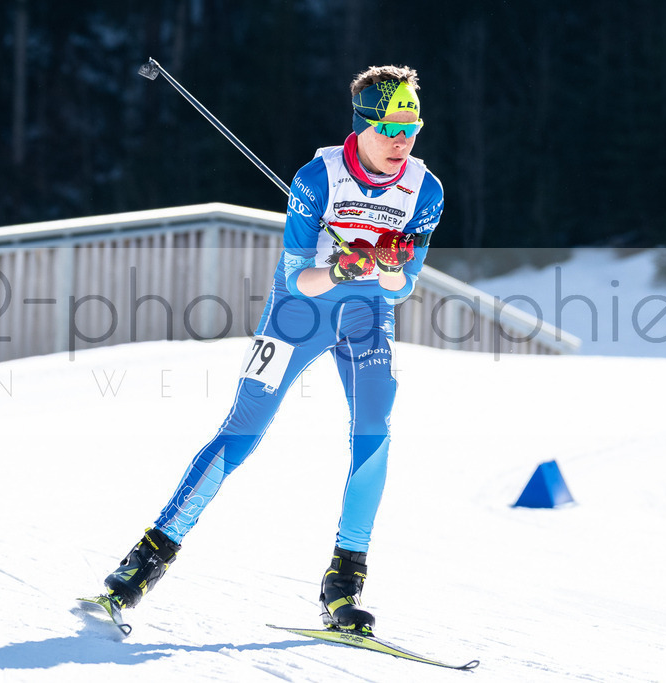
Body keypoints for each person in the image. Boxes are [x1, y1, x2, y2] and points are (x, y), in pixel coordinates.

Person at [102, 65, 443, 634]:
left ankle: (344, 579)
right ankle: (149, 557)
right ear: (362, 125)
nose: (402, 142)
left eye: (412, 129)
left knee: (374, 432)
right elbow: (296, 278)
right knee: (243, 431)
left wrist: (385, 269)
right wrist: (338, 265)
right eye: (390, 129)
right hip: (296, 317)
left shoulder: (424, 191)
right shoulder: (317, 180)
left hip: (366, 320)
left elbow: (406, 286)